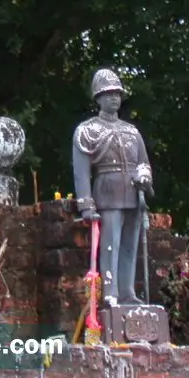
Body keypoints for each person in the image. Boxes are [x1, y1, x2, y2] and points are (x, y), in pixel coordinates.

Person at [72, 69, 153, 306]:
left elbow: (144, 163)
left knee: (130, 245)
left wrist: (144, 177)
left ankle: (127, 291)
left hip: (133, 193)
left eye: (117, 93)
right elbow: (81, 171)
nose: (114, 98)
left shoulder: (131, 131)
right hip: (107, 190)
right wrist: (86, 205)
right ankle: (110, 292)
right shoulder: (87, 130)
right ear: (98, 98)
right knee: (111, 244)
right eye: (108, 94)